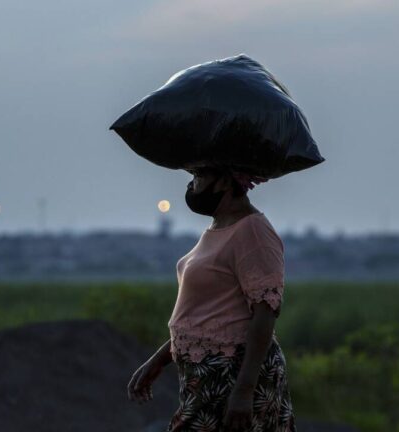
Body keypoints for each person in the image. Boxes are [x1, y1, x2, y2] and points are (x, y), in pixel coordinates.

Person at [127, 166, 296, 432]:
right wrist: (159, 360)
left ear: (226, 182)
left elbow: (265, 313)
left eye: (199, 177)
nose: (192, 186)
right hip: (203, 375)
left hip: (231, 373)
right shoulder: (219, 227)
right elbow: (205, 315)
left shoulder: (253, 231)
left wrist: (243, 391)